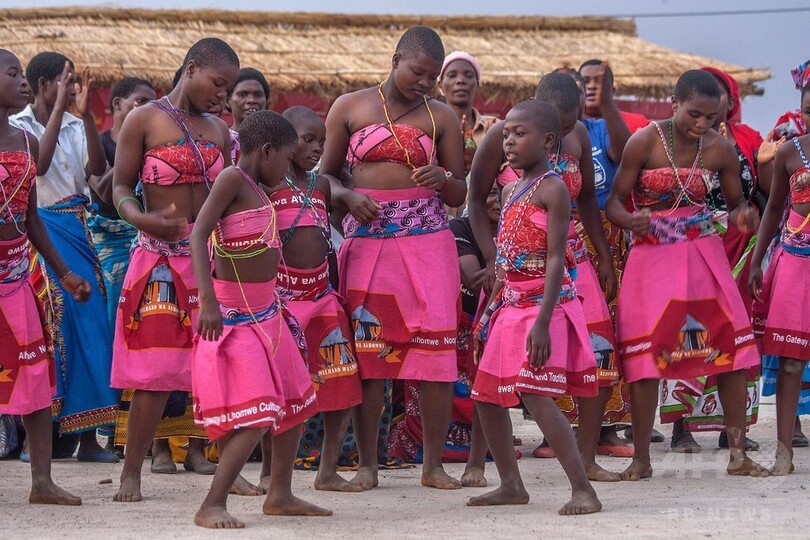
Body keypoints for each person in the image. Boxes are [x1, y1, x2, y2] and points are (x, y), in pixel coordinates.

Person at [321, 26, 467, 490]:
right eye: (418, 72)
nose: (425, 83)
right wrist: (347, 194)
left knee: (436, 354)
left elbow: (461, 191)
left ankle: (432, 466)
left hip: (428, 242)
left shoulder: (441, 115)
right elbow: (322, 178)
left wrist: (441, 177)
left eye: (432, 77)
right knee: (370, 352)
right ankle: (368, 464)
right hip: (368, 241)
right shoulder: (350, 106)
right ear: (396, 58)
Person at [605, 69, 767, 480]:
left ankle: (737, 455)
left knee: (727, 346)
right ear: (673, 103)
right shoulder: (644, 142)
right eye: (694, 114)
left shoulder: (719, 148)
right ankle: (641, 459)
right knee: (646, 355)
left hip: (703, 257)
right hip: (651, 258)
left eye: (711, 117)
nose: (702, 124)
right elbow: (614, 204)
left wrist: (744, 216)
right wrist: (632, 222)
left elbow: (735, 205)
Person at [110, 38, 240, 502]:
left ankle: (229, 467)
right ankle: (132, 473)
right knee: (155, 372)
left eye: (227, 89)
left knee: (221, 364)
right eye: (217, 84)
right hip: (159, 262)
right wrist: (142, 217)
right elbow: (120, 187)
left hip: (212, 261)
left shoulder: (220, 131)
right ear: (191, 69)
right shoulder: (144, 119)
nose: (222, 96)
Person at [190, 110, 329, 528]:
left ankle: (280, 494)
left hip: (269, 312)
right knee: (258, 413)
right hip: (234, 314)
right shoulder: (233, 179)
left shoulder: (259, 187)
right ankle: (212, 503)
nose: (289, 169)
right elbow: (198, 234)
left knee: (296, 402)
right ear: (267, 151)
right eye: (286, 159)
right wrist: (208, 301)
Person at [468, 99, 601, 514]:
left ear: (547, 141)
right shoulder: (509, 189)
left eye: (519, 134)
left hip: (543, 308)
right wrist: (489, 312)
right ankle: (511, 484)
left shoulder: (554, 189)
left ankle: (583, 489)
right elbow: (507, 258)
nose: (508, 141)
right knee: (487, 397)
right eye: (506, 133)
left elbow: (558, 259)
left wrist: (542, 323)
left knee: (535, 394)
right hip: (509, 306)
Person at [10, 51, 118, 462]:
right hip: (40, 231)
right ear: (42, 86)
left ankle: (90, 440)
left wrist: (86, 117)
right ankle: (37, 440)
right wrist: (57, 110)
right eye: (65, 81)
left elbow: (95, 168)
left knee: (90, 328)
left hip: (77, 228)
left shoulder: (75, 123)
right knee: (48, 331)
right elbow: (39, 166)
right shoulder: (17, 127)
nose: (72, 90)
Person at [0, 48, 90, 505]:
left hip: (16, 275)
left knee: (34, 377)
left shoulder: (26, 143)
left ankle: (42, 482)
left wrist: (65, 272)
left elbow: (31, 218)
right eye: (13, 73)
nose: (23, 81)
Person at [664, 67, 766, 453]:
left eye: (718, 103)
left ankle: (732, 428)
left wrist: (748, 215)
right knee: (685, 331)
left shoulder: (744, 141)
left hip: (735, 246)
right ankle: (681, 427)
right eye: (700, 108)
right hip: (687, 243)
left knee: (734, 336)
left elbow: (750, 194)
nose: (708, 116)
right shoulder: (664, 141)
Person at [271, 106, 362, 492]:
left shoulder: (320, 185)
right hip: (281, 300)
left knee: (341, 382)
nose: (316, 148)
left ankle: (327, 470)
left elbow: (337, 192)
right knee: (277, 388)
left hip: (322, 295)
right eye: (307, 139)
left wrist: (350, 195)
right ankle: (270, 474)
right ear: (283, 141)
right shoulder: (265, 186)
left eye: (322, 142)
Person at [749, 81, 810, 476]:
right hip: (796, 262)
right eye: (809, 109)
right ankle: (784, 452)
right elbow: (773, 210)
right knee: (790, 361)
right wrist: (756, 260)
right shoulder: (791, 150)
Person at [87, 77, 156, 332]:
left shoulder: (153, 145)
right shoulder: (99, 144)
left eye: (152, 104)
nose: (147, 109)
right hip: (109, 240)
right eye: (141, 102)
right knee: (114, 313)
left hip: (145, 238)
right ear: (117, 103)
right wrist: (133, 154)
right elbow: (105, 191)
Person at [437, 50, 497, 217]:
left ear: (477, 84)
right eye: (452, 75)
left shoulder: (494, 129)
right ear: (440, 85)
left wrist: (477, 160)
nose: (461, 81)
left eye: (468, 75)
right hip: (439, 219)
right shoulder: (430, 128)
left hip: (483, 222)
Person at [226, 67, 270, 163]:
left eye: (258, 95)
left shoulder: (277, 142)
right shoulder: (221, 140)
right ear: (228, 101)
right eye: (242, 94)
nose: (251, 100)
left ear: (266, 101)